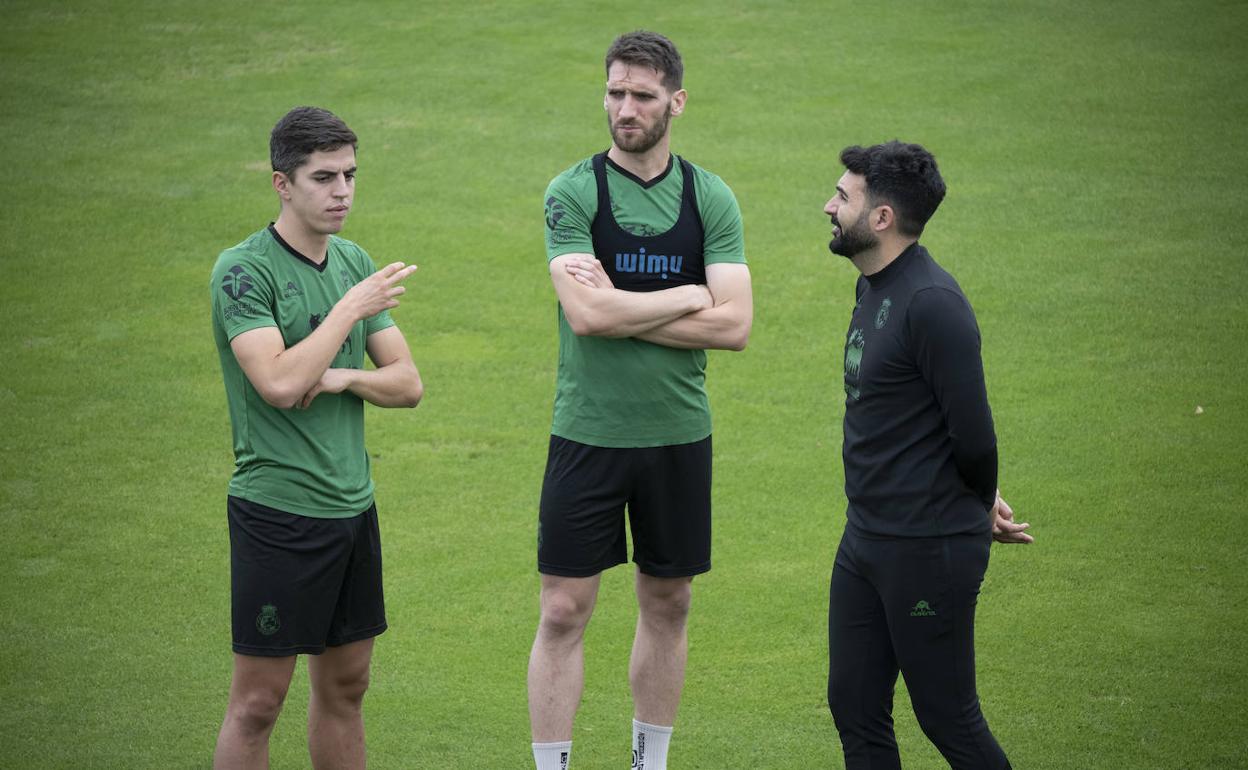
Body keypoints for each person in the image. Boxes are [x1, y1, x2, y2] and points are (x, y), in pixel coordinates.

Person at [528, 30, 752, 770]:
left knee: (670, 604)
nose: (625, 108)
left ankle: (647, 765)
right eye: (615, 92)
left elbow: (737, 326)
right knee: (563, 609)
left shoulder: (709, 197)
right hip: (587, 432)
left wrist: (626, 307)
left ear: (676, 102)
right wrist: (688, 295)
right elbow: (585, 317)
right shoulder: (573, 192)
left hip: (676, 434)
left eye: (643, 95)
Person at [208, 106, 422, 769]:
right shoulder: (243, 272)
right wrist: (349, 310)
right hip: (278, 515)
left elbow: (407, 383)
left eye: (351, 175)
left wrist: (336, 377)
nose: (343, 192)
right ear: (282, 184)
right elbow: (275, 381)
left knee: (348, 686)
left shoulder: (352, 259)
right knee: (258, 703)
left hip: (352, 511)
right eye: (324, 177)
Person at [823, 140, 1032, 770]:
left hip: (927, 546)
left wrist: (973, 504)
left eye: (842, 196)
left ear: (881, 218)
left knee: (947, 717)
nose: (828, 206)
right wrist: (980, 496)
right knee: (854, 706)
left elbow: (975, 435)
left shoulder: (932, 304)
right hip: (867, 537)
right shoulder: (874, 288)